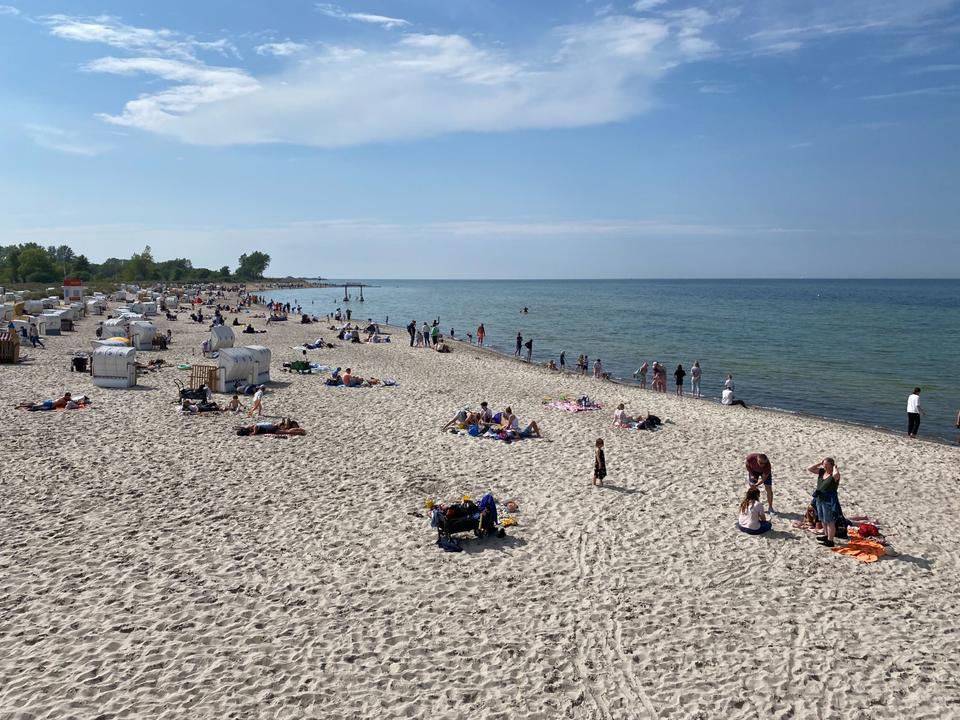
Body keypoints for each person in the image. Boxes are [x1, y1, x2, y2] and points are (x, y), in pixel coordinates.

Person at [807, 457, 841, 547]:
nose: (824, 466)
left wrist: (835, 468)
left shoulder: (834, 474)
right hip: (819, 498)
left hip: (828, 500)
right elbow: (810, 468)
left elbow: (836, 475)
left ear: (831, 465)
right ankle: (826, 535)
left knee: (829, 520)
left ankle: (830, 540)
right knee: (822, 519)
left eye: (826, 465)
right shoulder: (822, 472)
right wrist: (820, 462)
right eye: (824, 464)